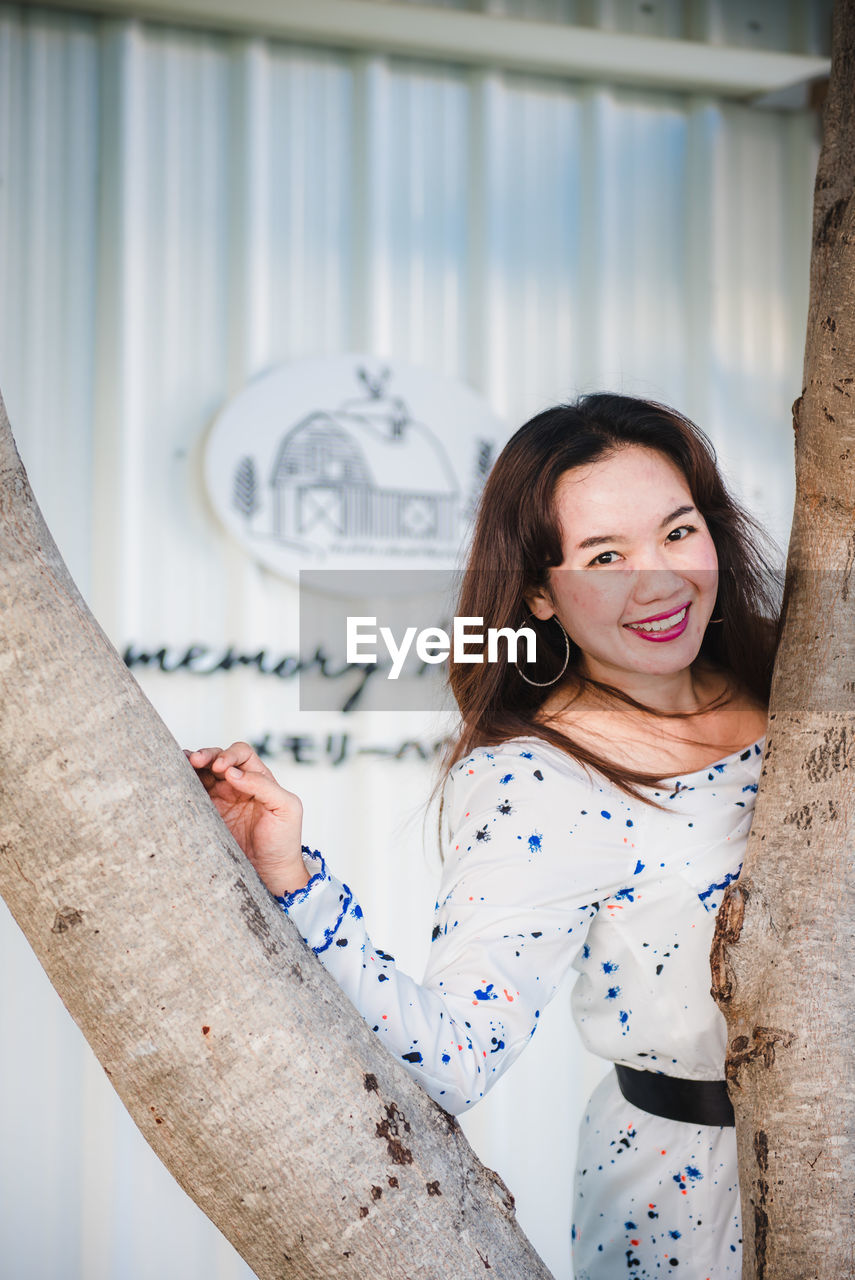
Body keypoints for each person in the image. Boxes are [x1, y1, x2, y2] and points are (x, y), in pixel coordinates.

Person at [186, 393, 781, 1279]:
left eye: (677, 532)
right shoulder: (537, 782)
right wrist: (295, 880)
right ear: (540, 591)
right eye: (602, 556)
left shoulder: (798, 674)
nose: (655, 581)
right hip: (696, 1199)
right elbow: (454, 1059)